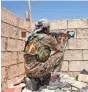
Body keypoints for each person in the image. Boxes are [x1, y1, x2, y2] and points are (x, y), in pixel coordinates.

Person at [23, 19, 69, 90]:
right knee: (60, 54)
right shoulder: (47, 38)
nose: (49, 29)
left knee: (46, 58)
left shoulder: (31, 37)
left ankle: (37, 80)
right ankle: (54, 81)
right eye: (49, 27)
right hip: (37, 70)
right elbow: (60, 49)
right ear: (46, 28)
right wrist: (62, 39)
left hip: (28, 71)